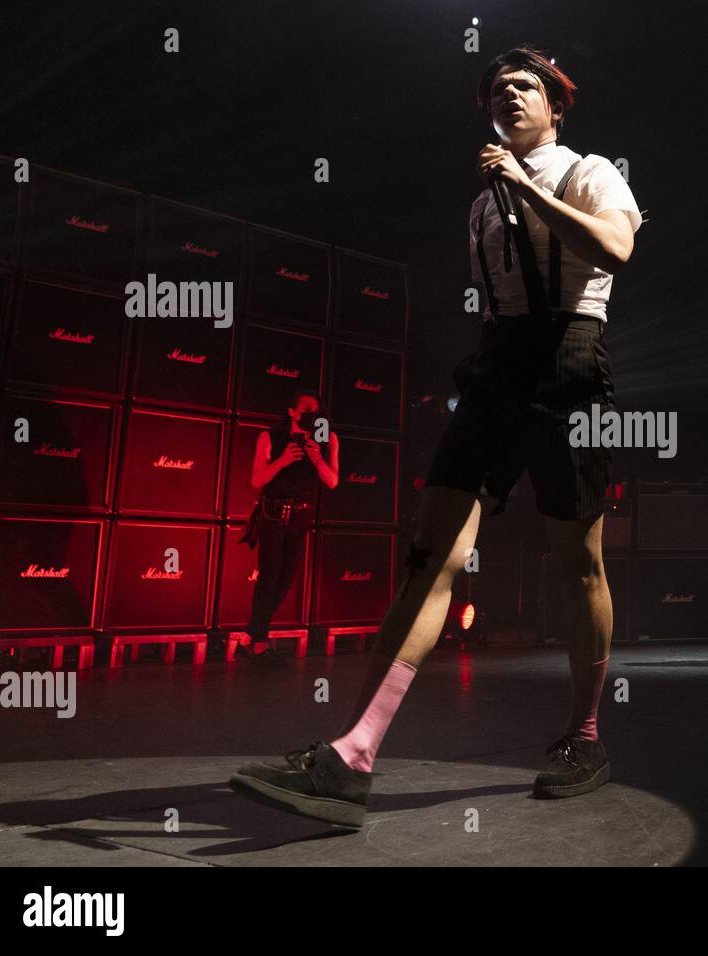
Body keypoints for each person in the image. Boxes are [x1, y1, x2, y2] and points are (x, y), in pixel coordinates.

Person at [230, 44, 643, 827]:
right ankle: (352, 754)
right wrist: (506, 199)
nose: (508, 96)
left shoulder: (588, 170)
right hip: (498, 367)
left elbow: (617, 248)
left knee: (578, 562)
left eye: (525, 87)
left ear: (556, 106)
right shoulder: (481, 202)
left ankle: (585, 735)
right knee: (432, 554)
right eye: (497, 89)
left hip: (571, 361)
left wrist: (526, 189)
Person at [238, 389, 339, 662]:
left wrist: (317, 458)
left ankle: (249, 634)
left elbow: (332, 481)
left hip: (301, 516)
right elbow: (257, 480)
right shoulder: (270, 437)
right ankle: (259, 642)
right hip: (273, 512)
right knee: (269, 576)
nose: (313, 416)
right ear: (293, 412)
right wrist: (283, 461)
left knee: (286, 579)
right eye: (307, 410)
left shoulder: (327, 438)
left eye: (317, 411)